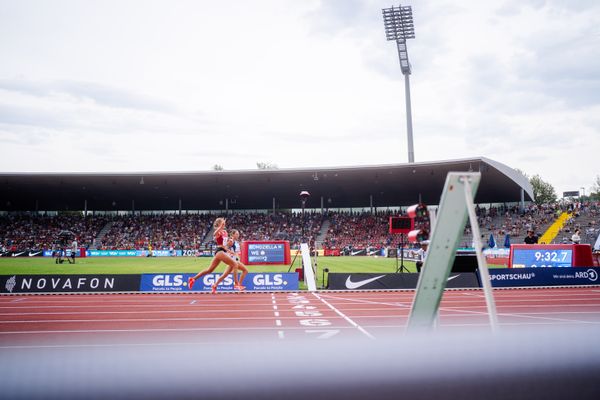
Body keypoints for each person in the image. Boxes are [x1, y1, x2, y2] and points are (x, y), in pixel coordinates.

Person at [188, 217, 239, 294]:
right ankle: (236, 284)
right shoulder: (218, 232)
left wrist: (229, 248)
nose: (224, 224)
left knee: (209, 270)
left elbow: (224, 245)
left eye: (224, 223)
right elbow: (215, 235)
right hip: (219, 252)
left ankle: (193, 279)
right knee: (235, 264)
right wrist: (220, 228)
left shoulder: (225, 232)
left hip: (222, 251)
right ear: (219, 224)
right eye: (222, 222)